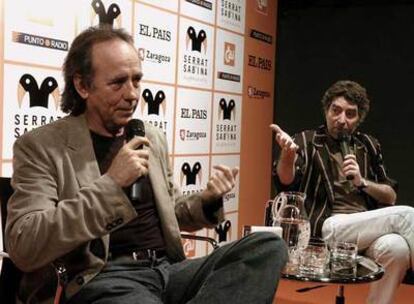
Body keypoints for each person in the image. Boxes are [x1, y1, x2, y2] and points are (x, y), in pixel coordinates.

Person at [5, 26, 287, 304]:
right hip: (104, 277)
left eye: (136, 80)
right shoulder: (42, 146)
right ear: (82, 86)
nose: (132, 94)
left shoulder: (150, 136)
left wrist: (207, 200)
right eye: (118, 83)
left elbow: (172, 211)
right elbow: (25, 243)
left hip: (168, 269)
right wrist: (112, 183)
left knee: (267, 247)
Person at [271, 80, 414, 304]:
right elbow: (285, 182)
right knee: (406, 215)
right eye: (335, 111)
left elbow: (390, 196)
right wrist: (287, 156)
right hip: (328, 226)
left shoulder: (369, 145)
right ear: (326, 110)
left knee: (397, 249)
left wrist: (362, 181)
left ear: (359, 118)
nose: (341, 120)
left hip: (366, 228)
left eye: (350, 114)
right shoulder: (307, 141)